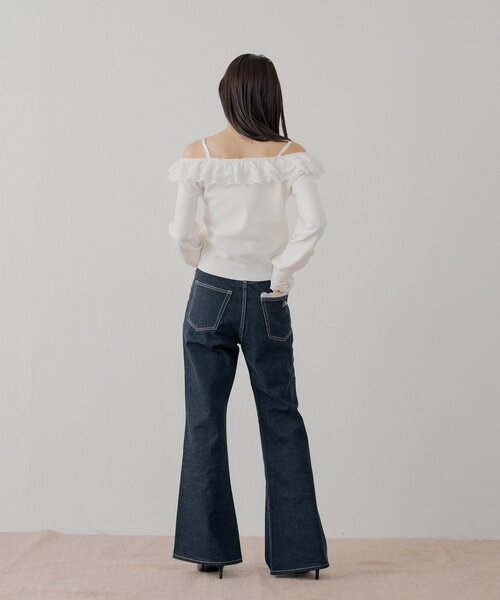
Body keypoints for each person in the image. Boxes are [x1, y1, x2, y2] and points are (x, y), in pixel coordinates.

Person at [167, 53, 329, 580]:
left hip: (209, 294)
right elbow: (314, 221)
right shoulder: (289, 155)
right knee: (282, 419)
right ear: (270, 95)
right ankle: (298, 557)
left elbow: (180, 232)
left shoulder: (200, 153)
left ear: (227, 94)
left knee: (204, 419)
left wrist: (199, 257)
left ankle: (208, 551)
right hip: (267, 299)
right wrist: (282, 271)